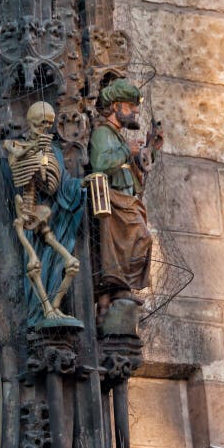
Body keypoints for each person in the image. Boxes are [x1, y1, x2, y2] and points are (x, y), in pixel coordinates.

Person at [89, 78, 154, 325]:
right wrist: (127, 150)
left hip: (126, 201)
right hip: (114, 203)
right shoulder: (104, 133)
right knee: (142, 237)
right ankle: (115, 288)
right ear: (116, 106)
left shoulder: (116, 136)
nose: (135, 111)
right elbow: (101, 164)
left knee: (140, 241)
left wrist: (146, 153)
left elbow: (126, 169)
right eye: (130, 106)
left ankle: (119, 290)